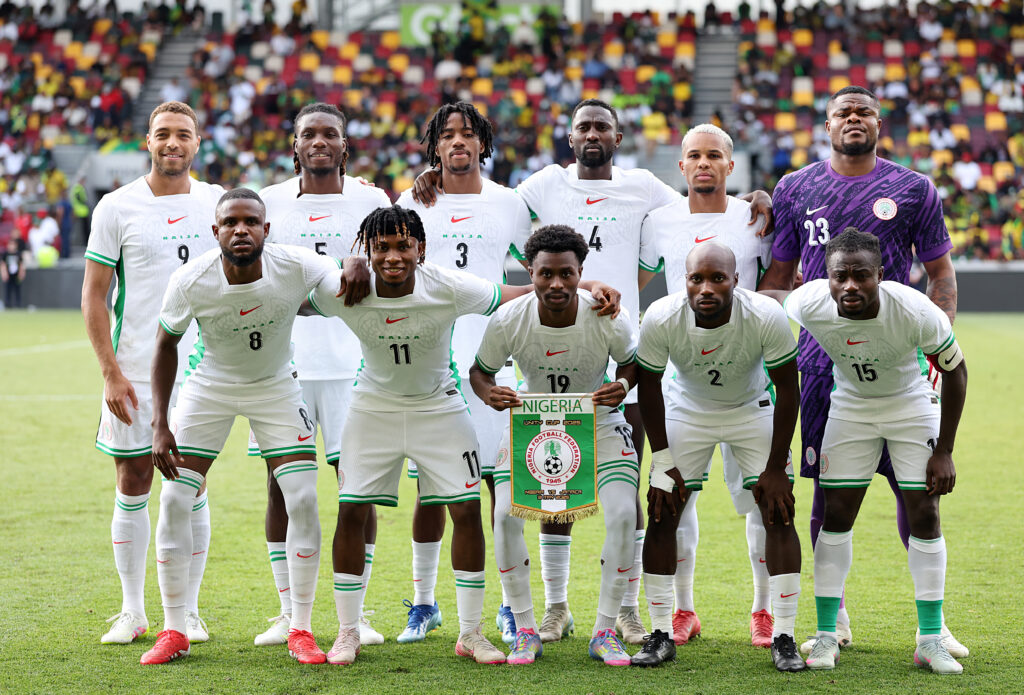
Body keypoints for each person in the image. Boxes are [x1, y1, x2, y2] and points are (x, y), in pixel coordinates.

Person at [414, 98, 772, 644]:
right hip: (548, 352)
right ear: (569, 134)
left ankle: (627, 608)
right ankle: (554, 608)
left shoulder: (647, 188)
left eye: (601, 126)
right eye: (582, 126)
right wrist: (433, 176)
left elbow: (699, 205)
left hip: (617, 353)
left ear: (618, 136)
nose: (592, 134)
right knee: (551, 494)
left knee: (637, 494)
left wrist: (752, 196)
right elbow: (488, 196)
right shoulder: (541, 187)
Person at [305, 205, 621, 666]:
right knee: (351, 510)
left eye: (403, 246)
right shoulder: (349, 289)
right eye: (380, 248)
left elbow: (519, 291)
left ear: (421, 248)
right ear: (368, 252)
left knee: (468, 510)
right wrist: (340, 264)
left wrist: (587, 285)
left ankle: (471, 633)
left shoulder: (447, 285)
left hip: (439, 406)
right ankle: (348, 632)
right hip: (372, 408)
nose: (393, 256)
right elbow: (289, 294)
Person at [758, 85, 966, 658]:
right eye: (842, 113)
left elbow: (940, 274)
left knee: (915, 491)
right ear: (826, 125)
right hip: (823, 365)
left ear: (879, 121)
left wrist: (933, 343)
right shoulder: (795, 188)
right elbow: (778, 278)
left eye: (863, 112)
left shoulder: (913, 188)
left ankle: (934, 626)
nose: (853, 119)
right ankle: (836, 618)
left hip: (899, 353)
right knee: (830, 492)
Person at [145, 188, 344, 666]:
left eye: (250, 221)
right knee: (174, 498)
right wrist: (159, 423)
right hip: (209, 386)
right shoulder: (191, 279)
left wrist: (352, 266)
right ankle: (174, 628)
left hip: (275, 387)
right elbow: (164, 345)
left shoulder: (293, 264)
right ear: (215, 232)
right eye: (229, 222)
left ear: (266, 229)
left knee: (302, 496)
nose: (240, 230)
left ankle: (300, 627)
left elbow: (339, 279)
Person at [248, 102, 392, 648]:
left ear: (345, 145)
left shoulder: (371, 200)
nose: (319, 141)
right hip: (286, 365)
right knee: (281, 487)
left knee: (358, 489)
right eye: (309, 133)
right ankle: (289, 612)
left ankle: (358, 614)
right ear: (295, 144)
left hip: (356, 363)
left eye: (330, 133)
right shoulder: (272, 203)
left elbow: (395, 263)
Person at [81, 101, 219, 646]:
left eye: (182, 135)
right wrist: (111, 374)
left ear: (198, 143)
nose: (172, 144)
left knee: (190, 484)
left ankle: (187, 613)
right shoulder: (117, 207)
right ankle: (132, 611)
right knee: (132, 481)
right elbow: (94, 295)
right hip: (134, 371)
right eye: (163, 134)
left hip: (200, 372)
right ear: (147, 140)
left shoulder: (215, 203)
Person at [470, 225, 639, 667]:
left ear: (581, 272)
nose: (557, 284)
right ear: (531, 271)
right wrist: (490, 393)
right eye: (546, 274)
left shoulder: (605, 315)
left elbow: (634, 362)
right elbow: (480, 371)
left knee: (623, 513)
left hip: (598, 420)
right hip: (534, 419)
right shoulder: (510, 317)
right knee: (505, 515)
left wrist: (622, 384)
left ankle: (605, 632)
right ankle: (526, 630)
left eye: (567, 273)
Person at [396, 102, 533, 645]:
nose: (458, 142)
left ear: (483, 144)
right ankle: (425, 603)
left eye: (468, 134)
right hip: (431, 359)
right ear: (434, 147)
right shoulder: (414, 199)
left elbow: (543, 260)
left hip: (494, 358)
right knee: (433, 490)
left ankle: (507, 604)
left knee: (503, 485)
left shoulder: (509, 202)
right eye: (447, 135)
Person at [634, 243, 804, 671]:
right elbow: (649, 387)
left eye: (717, 278)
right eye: (697, 279)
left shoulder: (765, 315)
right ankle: (659, 633)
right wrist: (662, 459)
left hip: (750, 410)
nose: (706, 288)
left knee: (778, 512)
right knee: (661, 511)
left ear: (736, 280)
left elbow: (788, 388)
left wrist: (776, 466)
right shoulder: (661, 316)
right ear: (684, 281)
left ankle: (784, 635)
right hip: (687, 411)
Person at [640, 123, 776, 648]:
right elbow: (637, 282)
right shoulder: (661, 221)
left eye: (714, 155)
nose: (704, 163)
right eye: (694, 155)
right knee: (676, 504)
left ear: (730, 165)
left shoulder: (755, 216)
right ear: (680, 166)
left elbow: (778, 277)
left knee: (763, 504)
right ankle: (682, 610)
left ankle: (763, 611)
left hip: (749, 383)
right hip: (682, 384)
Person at [2, 236, 26, 308]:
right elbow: (3, 264)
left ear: (16, 246)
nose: (11, 246)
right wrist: (4, 273)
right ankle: (8, 304)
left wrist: (21, 273)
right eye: (10, 244)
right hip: (9, 274)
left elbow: (21, 264)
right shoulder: (6, 254)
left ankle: (18, 304)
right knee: (8, 290)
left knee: (17, 289)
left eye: (13, 244)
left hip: (16, 274)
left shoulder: (18, 254)